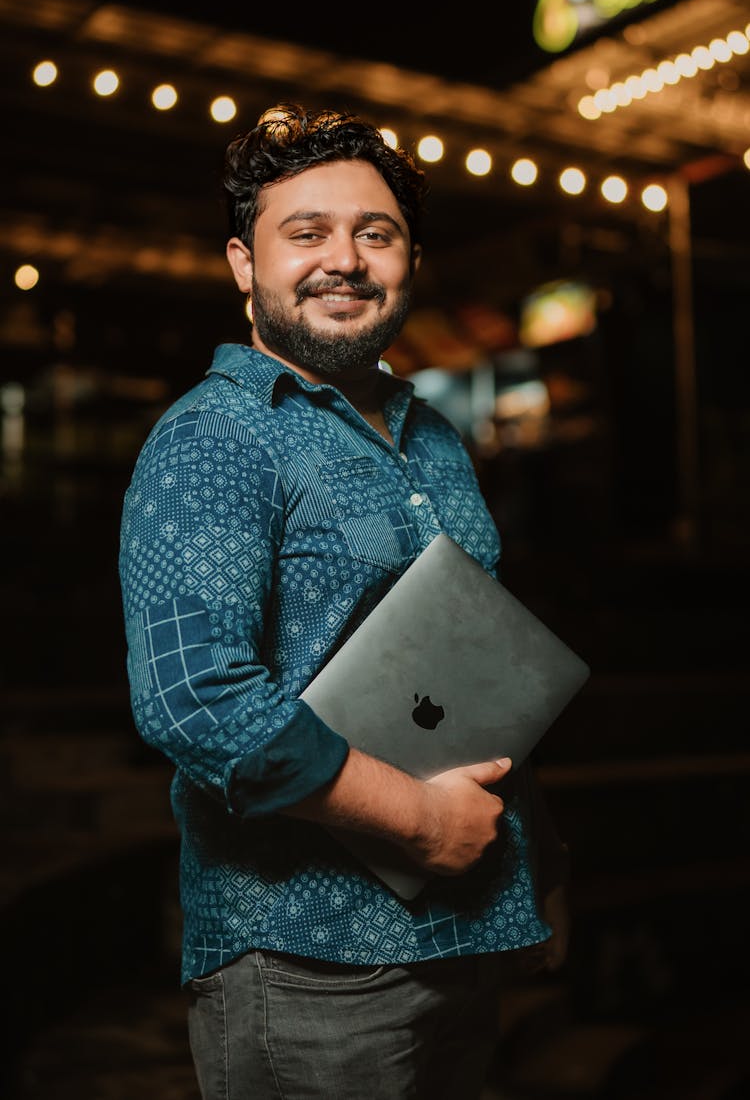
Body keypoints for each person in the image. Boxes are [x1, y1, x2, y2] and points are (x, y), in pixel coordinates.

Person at [118, 101, 570, 1100]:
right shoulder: (216, 437)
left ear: (410, 257)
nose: (346, 259)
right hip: (308, 964)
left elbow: (472, 665)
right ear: (244, 264)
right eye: (306, 231)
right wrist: (415, 817)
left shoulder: (437, 436)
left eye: (376, 232)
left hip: (463, 934)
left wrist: (537, 866)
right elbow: (197, 699)